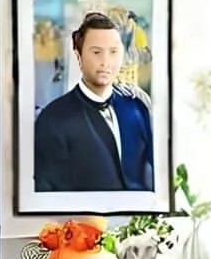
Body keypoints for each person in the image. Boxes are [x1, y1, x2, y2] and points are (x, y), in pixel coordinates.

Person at [32, 12, 155, 194]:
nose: (105, 62)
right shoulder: (53, 119)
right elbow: (48, 192)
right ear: (79, 56)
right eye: (96, 52)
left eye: (113, 52)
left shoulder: (137, 108)